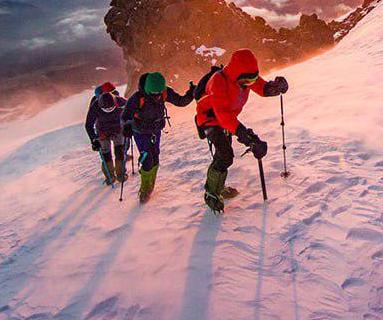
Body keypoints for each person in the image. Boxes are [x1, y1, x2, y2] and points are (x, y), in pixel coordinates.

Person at [195, 49, 289, 213]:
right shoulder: (219, 81)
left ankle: (218, 186)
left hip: (227, 118)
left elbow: (261, 87)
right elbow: (224, 118)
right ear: (237, 74)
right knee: (225, 155)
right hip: (210, 119)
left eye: (252, 79)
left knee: (223, 155)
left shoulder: (245, 76)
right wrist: (248, 138)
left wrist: (275, 88)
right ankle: (211, 193)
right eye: (246, 80)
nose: (249, 83)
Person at [121, 71, 195, 202]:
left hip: (156, 129)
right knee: (147, 157)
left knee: (155, 155)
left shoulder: (165, 92)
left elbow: (180, 101)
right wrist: (126, 125)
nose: (157, 96)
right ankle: (144, 188)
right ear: (147, 89)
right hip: (140, 131)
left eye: (159, 93)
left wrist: (191, 93)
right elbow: (125, 116)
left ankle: (150, 185)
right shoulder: (138, 98)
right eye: (154, 94)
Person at [85, 86, 128, 185]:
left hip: (118, 129)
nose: (109, 109)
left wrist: (130, 124)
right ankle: (110, 177)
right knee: (106, 154)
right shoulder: (95, 106)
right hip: (102, 132)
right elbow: (88, 124)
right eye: (106, 108)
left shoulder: (121, 102)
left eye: (111, 107)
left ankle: (120, 175)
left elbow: (131, 108)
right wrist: (94, 139)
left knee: (119, 152)